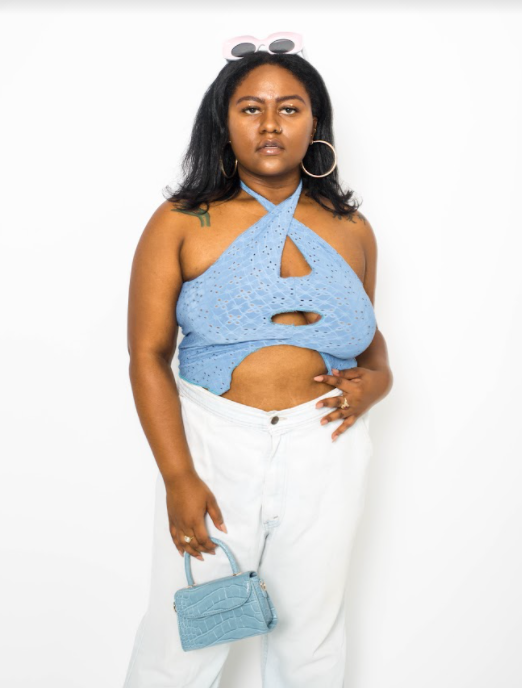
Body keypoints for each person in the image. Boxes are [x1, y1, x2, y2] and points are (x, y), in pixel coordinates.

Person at [123, 40, 393, 688]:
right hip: (213, 443)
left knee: (310, 640)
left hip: (326, 445)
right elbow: (146, 355)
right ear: (224, 122)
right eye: (251, 108)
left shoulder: (352, 228)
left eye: (289, 108)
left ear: (315, 122)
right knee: (187, 638)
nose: (270, 124)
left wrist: (379, 382)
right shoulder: (182, 221)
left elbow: (366, 340)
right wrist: (178, 476)